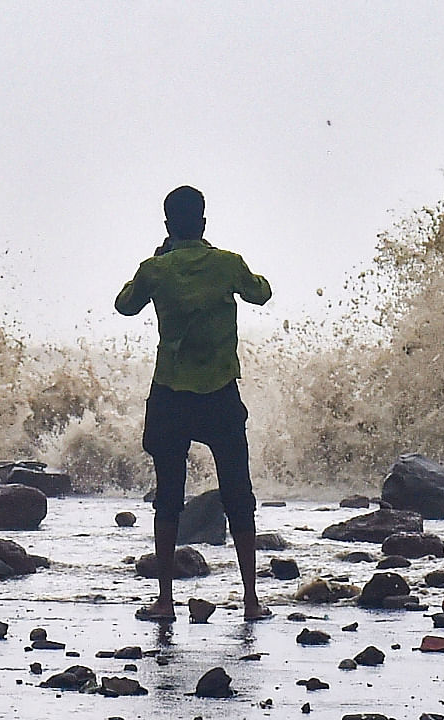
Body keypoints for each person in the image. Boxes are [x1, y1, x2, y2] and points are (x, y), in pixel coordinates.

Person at [115, 185, 273, 621]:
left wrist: (159, 259)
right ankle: (251, 600)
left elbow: (125, 305)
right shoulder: (227, 264)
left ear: (168, 226)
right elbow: (262, 293)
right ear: (203, 223)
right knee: (238, 494)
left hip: (171, 394)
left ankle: (165, 601)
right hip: (220, 393)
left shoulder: (155, 269)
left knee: (169, 496)